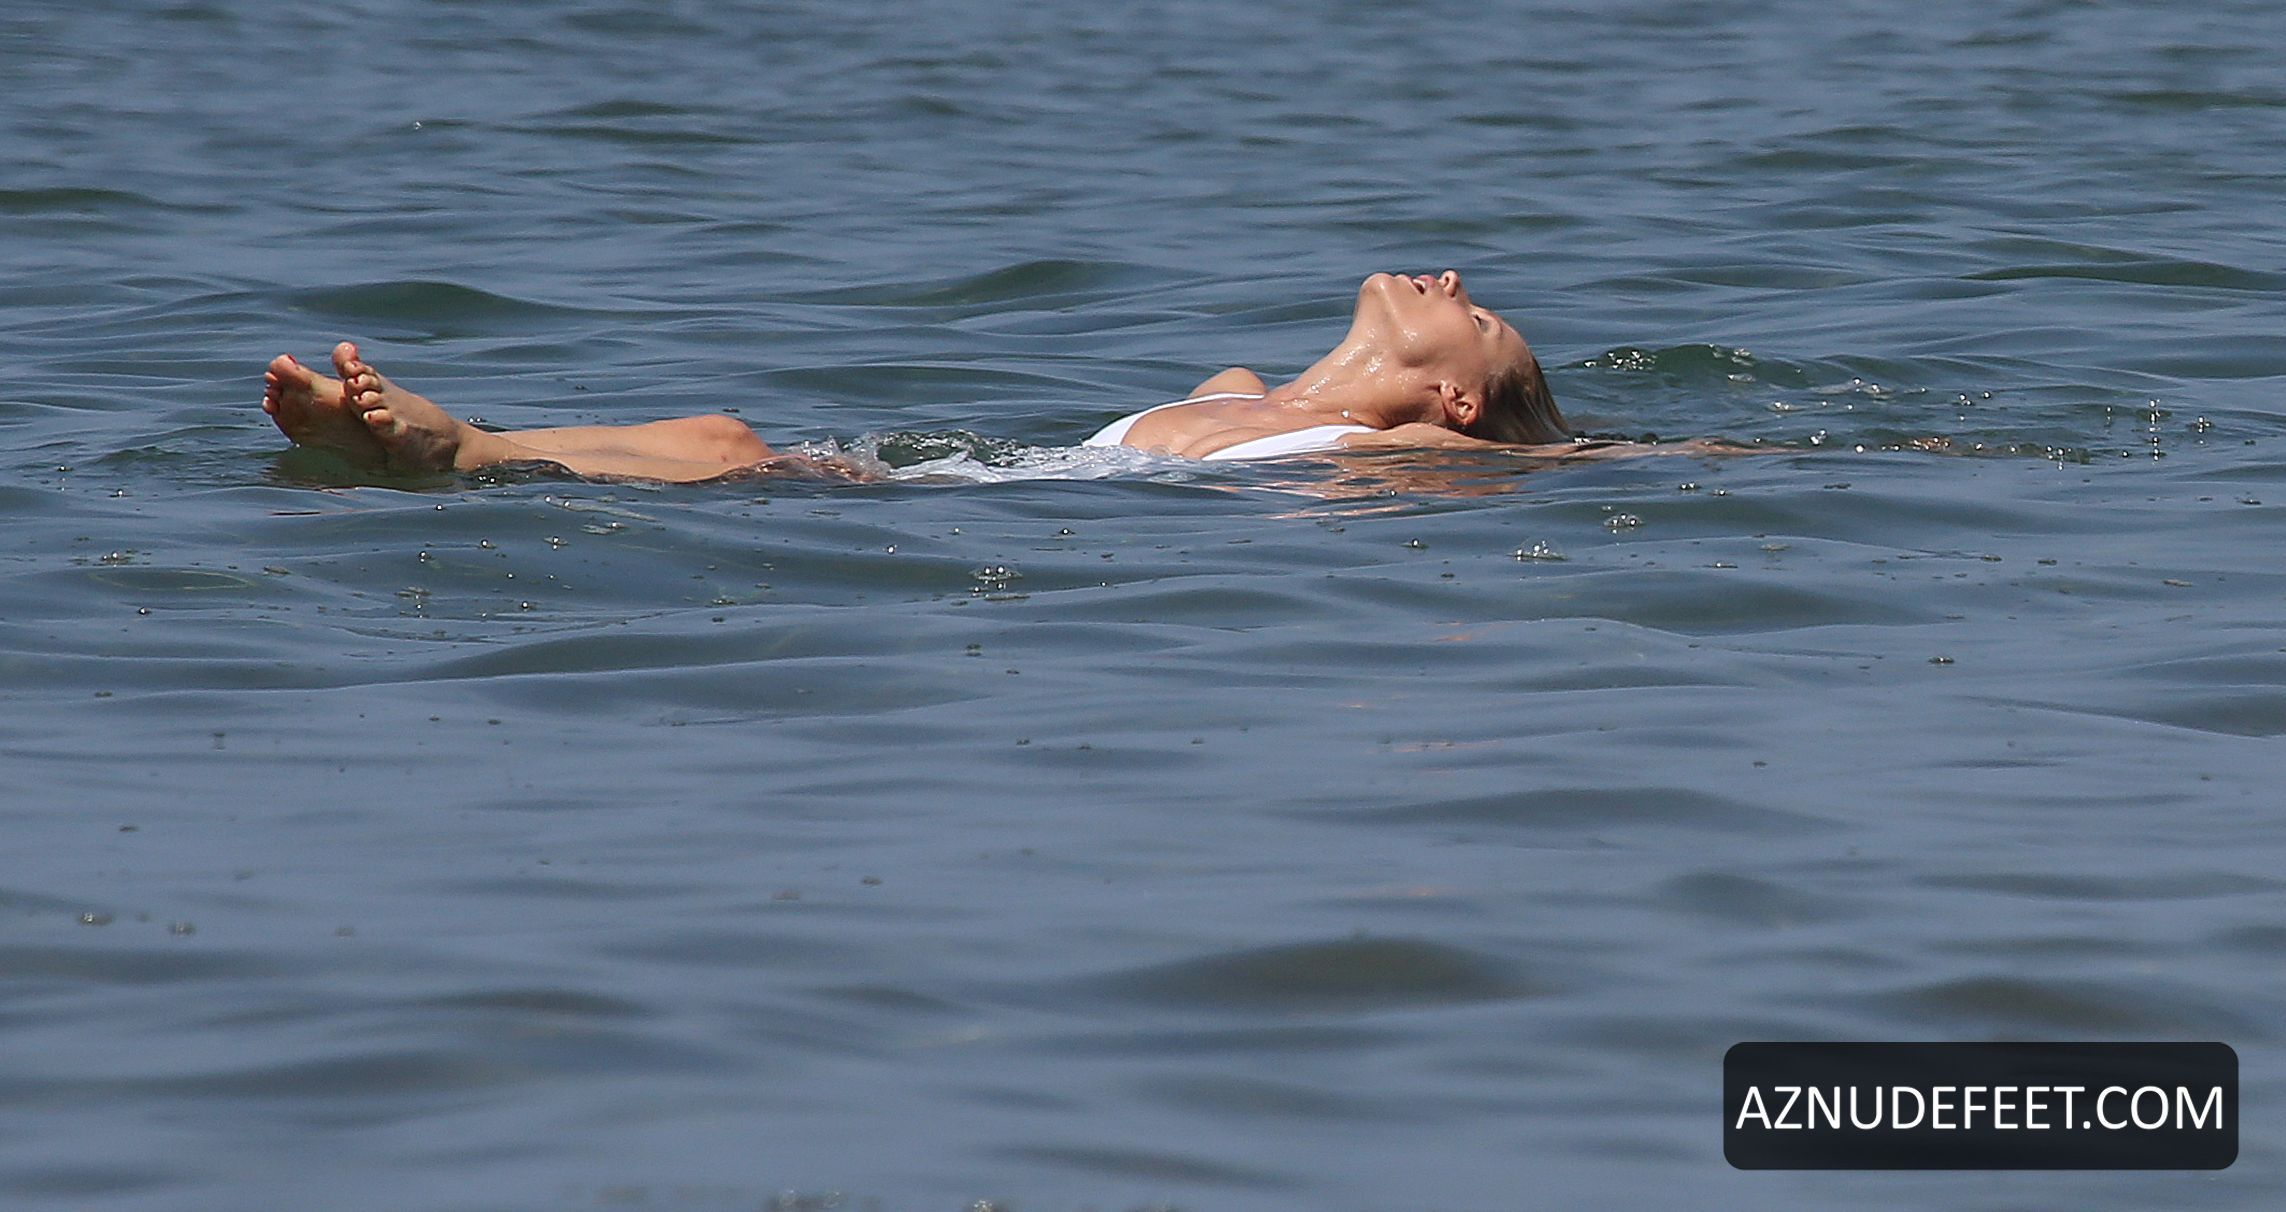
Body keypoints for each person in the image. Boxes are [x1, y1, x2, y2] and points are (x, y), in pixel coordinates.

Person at [262, 271, 1583, 482]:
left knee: (728, 446)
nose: (1453, 277)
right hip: (947, 485)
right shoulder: (1230, 388)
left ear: (1458, 401)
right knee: (728, 436)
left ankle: (456, 449)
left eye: (1481, 316)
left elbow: (1590, 468)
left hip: (970, 525)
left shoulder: (1399, 459)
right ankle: (448, 449)